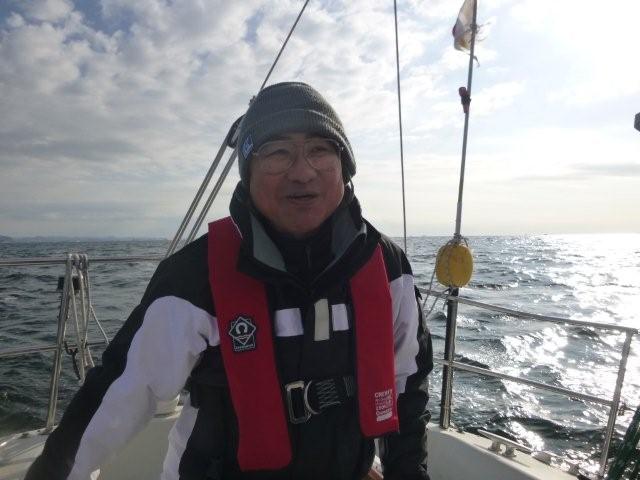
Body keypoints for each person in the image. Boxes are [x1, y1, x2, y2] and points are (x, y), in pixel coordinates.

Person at [26, 82, 433, 480]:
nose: (302, 172)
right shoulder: (195, 278)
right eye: (277, 152)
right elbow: (120, 392)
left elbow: (408, 384)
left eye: (320, 150)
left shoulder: (386, 267)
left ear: (344, 166)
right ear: (247, 172)